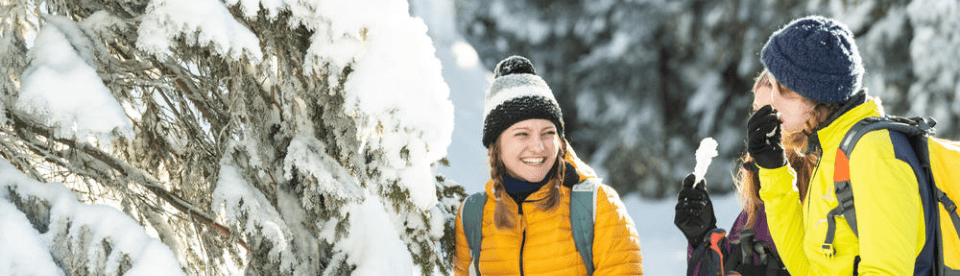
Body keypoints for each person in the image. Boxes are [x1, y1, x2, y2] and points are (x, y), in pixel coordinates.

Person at [747, 15, 927, 275]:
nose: (771, 100)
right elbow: (808, 269)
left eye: (781, 87)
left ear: (814, 94)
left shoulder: (875, 154)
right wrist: (774, 169)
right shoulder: (833, 151)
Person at [452, 55, 644, 275]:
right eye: (522, 134)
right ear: (496, 147)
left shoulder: (597, 206)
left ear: (560, 141)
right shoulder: (473, 215)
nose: (538, 146)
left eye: (548, 133)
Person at [674, 68, 819, 276]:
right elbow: (732, 265)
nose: (761, 126)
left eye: (771, 113)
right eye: (757, 111)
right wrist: (703, 240)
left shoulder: (822, 184)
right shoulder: (758, 196)